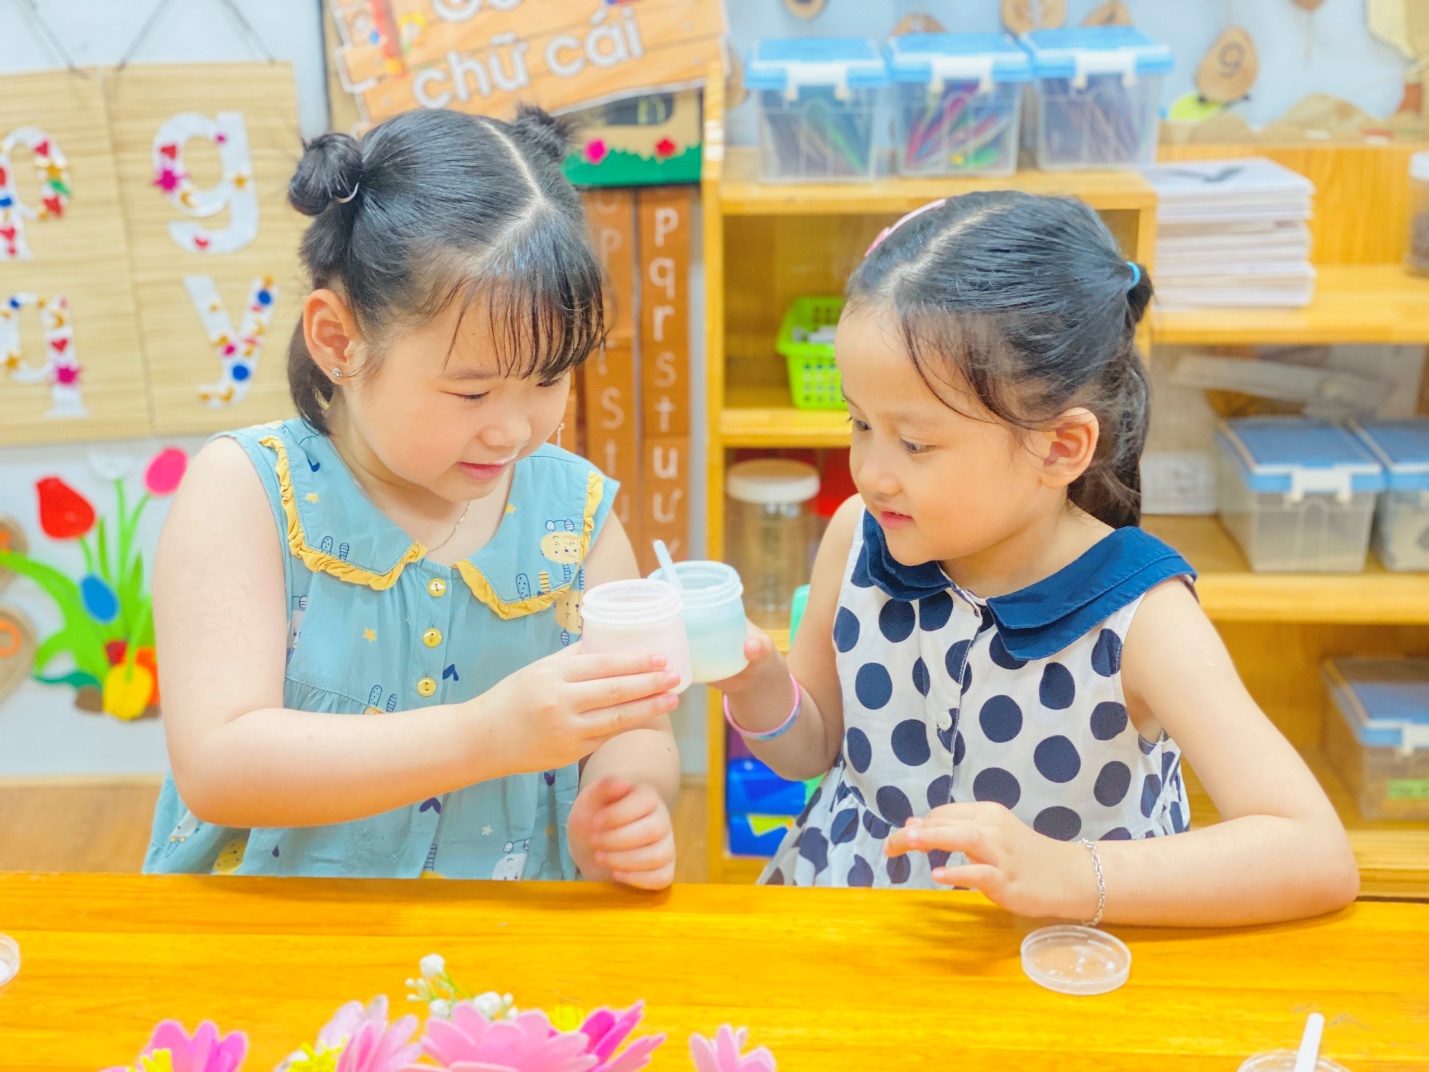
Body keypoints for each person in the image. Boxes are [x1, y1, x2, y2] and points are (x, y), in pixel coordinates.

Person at [714, 192, 1359, 925]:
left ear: (1058, 447)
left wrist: (1072, 872)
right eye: (860, 423)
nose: (871, 471)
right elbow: (812, 752)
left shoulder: (1143, 619)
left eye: (915, 443)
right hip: (857, 917)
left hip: (1052, 959)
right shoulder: (857, 535)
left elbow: (1312, 852)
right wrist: (761, 687)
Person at [144, 107, 679, 887]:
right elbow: (218, 764)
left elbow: (635, 722)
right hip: (276, 935)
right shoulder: (248, 491)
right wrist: (482, 735)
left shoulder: (578, 515)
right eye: (470, 392)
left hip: (505, 942)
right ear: (340, 342)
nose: (511, 430)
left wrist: (626, 796)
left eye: (548, 380)